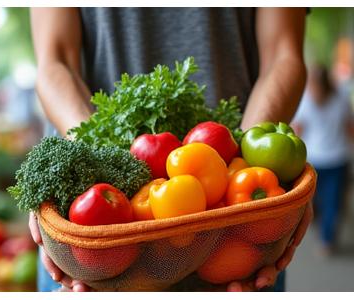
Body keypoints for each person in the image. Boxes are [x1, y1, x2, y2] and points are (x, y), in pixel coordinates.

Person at [29, 7, 312, 292]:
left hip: (234, 213)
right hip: (92, 226)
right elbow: (56, 62)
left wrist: (256, 163)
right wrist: (92, 163)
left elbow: (282, 54)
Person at [292, 64, 354, 255]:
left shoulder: (339, 100)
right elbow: (297, 131)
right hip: (317, 161)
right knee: (320, 201)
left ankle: (327, 239)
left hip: (334, 160)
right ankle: (324, 230)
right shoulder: (308, 102)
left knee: (332, 201)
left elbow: (349, 128)